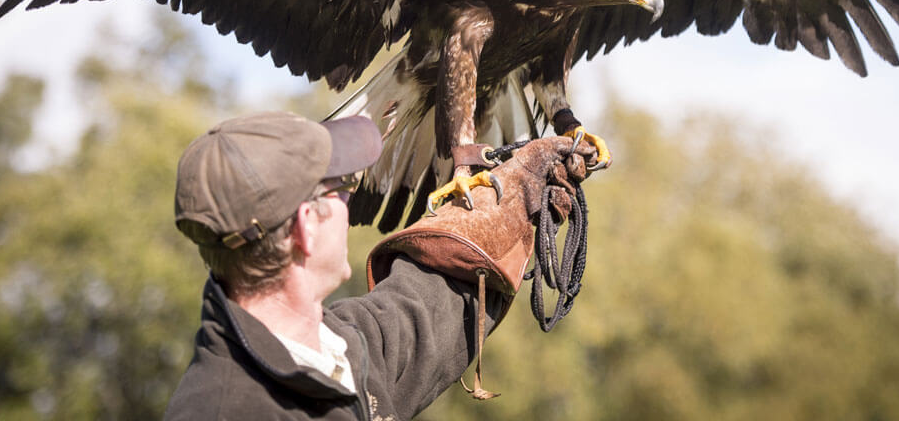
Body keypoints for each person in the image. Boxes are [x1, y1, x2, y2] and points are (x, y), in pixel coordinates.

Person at [165, 110, 589, 420]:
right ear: (306, 225)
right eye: (343, 185)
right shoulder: (226, 410)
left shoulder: (339, 346)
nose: (352, 199)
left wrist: (518, 206)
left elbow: (429, 308)